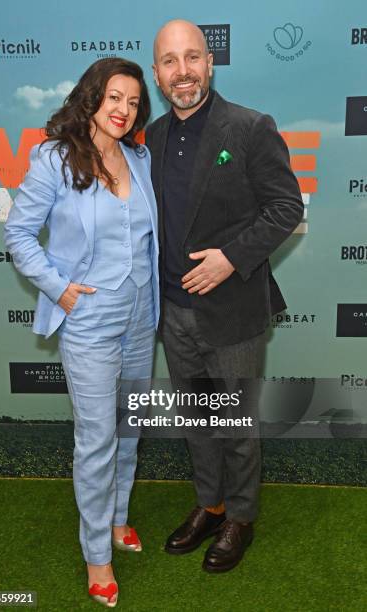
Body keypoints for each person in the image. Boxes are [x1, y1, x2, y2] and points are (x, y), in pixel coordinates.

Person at [145, 20, 304, 573]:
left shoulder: (250, 127)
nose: (182, 72)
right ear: (158, 73)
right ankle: (209, 504)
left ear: (210, 63)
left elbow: (287, 208)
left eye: (192, 58)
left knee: (235, 425)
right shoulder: (153, 138)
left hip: (233, 308)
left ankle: (241, 516)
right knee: (198, 420)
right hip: (171, 311)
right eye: (170, 61)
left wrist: (230, 257)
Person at [4, 58, 159, 606]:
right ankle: (98, 554)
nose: (123, 110)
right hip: (89, 319)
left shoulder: (140, 158)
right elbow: (19, 233)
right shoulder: (53, 157)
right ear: (92, 97)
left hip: (141, 314)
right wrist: (58, 286)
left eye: (134, 102)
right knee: (96, 440)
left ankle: (118, 519)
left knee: (128, 426)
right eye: (114, 97)